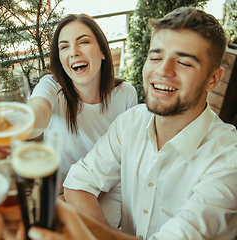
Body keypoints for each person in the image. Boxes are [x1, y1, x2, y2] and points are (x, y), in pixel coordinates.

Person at [63, 6, 237, 239]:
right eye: (155, 57)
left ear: (213, 79)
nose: (163, 71)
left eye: (184, 62)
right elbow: (78, 183)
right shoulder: (130, 122)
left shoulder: (228, 160)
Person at [31, 13, 137, 228]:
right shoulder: (52, 85)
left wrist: (82, 198)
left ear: (103, 51)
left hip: (109, 191)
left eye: (84, 42)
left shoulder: (126, 94)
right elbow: (36, 117)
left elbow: (128, 160)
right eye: (64, 47)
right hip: (60, 191)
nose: (74, 52)